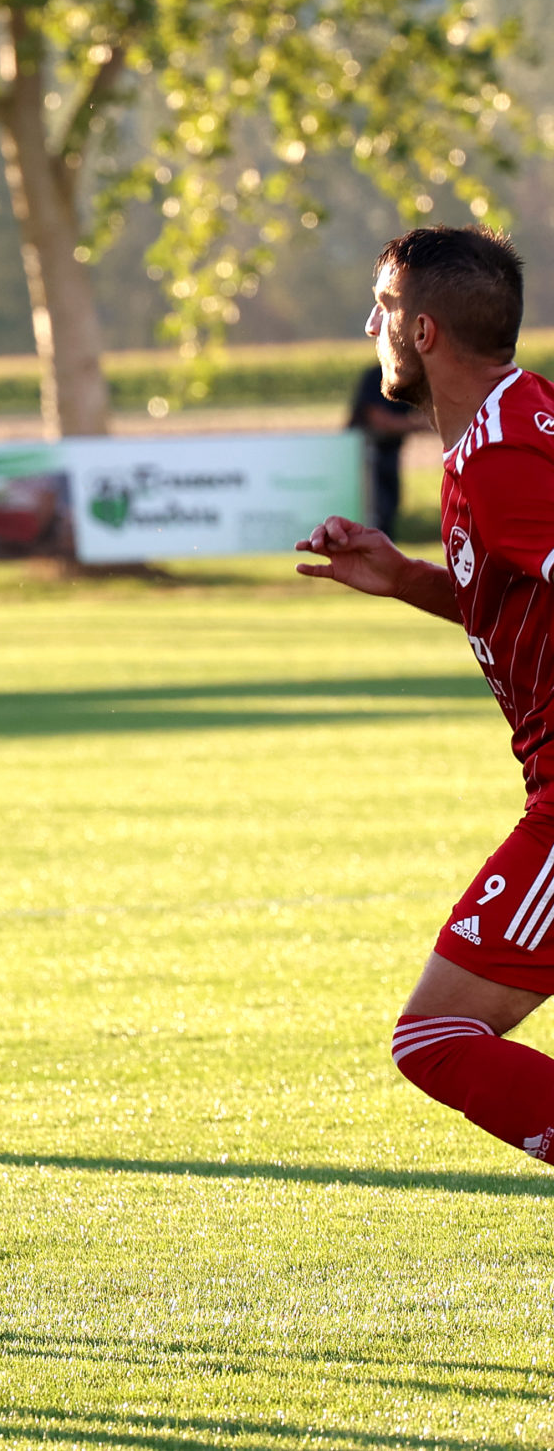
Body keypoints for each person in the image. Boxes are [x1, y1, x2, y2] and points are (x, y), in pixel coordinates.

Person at [298, 226, 554, 1167]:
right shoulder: (515, 423)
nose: (371, 325)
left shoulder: (499, 458)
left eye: (385, 309)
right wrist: (407, 579)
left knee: (437, 1038)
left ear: (427, 331)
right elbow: (522, 596)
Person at [348, 361, 424, 539]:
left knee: (389, 509)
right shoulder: (376, 376)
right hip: (365, 457)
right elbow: (378, 419)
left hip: (389, 452)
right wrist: (419, 426)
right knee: (375, 513)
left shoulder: (408, 378)